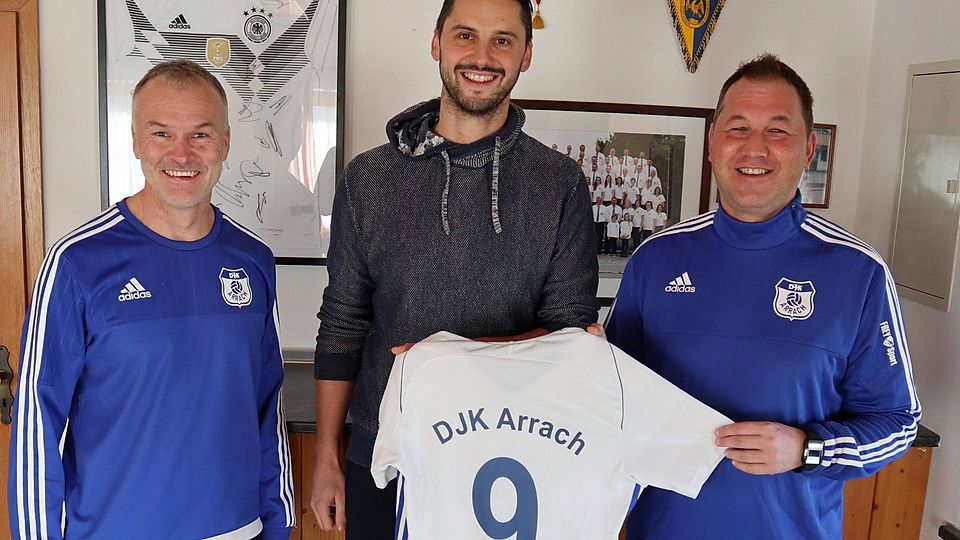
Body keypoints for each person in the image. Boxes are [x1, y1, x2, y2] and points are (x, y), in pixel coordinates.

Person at [311, 0, 599, 537]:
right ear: (437, 42)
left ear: (527, 54)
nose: (483, 56)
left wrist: (451, 356)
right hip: (385, 457)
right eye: (466, 35)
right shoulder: (367, 178)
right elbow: (343, 322)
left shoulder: (559, 183)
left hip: (513, 452)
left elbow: (571, 335)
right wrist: (327, 452)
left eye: (504, 40)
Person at [607, 53, 920, 540]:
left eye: (777, 131)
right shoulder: (655, 260)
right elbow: (611, 401)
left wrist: (806, 449)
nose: (755, 149)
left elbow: (898, 423)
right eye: (737, 129)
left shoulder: (858, 273)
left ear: (808, 146)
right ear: (713, 143)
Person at [8, 60, 295, 539]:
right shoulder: (77, 262)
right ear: (137, 141)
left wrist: (278, 521)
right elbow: (37, 418)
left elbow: (267, 403)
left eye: (200, 135)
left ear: (225, 142)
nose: (181, 155)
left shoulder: (254, 260)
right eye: (161, 133)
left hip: (237, 529)